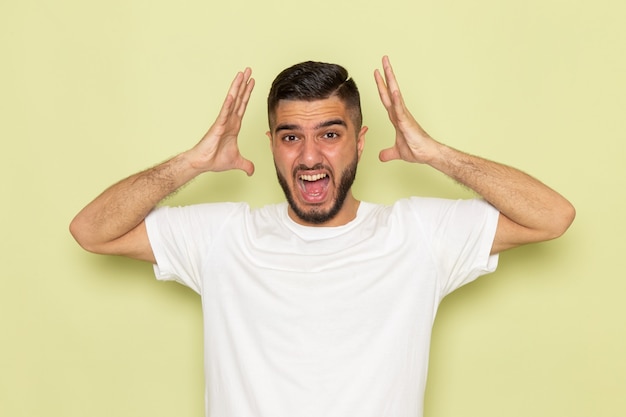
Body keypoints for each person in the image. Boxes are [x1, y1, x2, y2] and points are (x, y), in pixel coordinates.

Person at [70, 56, 575, 417]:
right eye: (291, 137)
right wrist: (192, 162)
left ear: (359, 140)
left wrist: (436, 153)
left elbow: (551, 216)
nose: (309, 157)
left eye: (330, 134)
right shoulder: (224, 236)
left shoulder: (418, 233)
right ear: (271, 145)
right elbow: (91, 230)